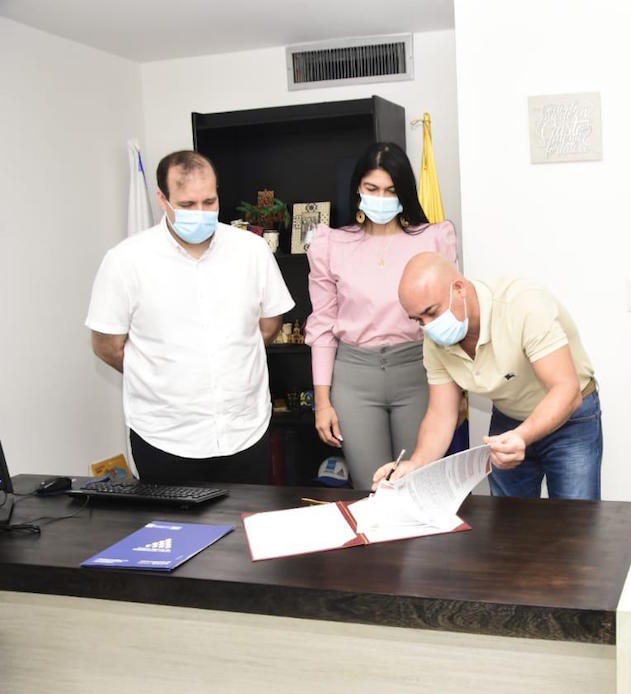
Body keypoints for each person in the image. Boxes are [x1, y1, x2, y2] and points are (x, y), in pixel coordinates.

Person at [86, 150, 294, 484]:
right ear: (162, 200)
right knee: (176, 534)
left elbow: (270, 325)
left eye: (209, 202)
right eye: (187, 205)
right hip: (165, 437)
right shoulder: (126, 261)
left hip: (245, 431)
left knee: (247, 530)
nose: (201, 213)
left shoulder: (251, 250)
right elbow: (107, 345)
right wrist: (161, 374)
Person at [373, 253, 602, 499]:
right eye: (418, 319)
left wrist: (523, 436)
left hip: (570, 420)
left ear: (459, 289)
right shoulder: (434, 341)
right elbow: (442, 414)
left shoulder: (523, 305)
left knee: (576, 523)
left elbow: (567, 390)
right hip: (510, 419)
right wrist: (415, 465)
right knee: (510, 525)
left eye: (431, 312)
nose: (428, 326)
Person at [305, 142, 459, 490]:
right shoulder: (330, 244)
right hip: (354, 378)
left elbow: (450, 315)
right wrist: (322, 403)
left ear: (405, 192)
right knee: (371, 488)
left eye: (391, 190)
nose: (381, 197)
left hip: (419, 370)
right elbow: (322, 326)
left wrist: (458, 389)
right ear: (357, 188)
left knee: (418, 484)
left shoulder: (434, 238)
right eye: (372, 188)